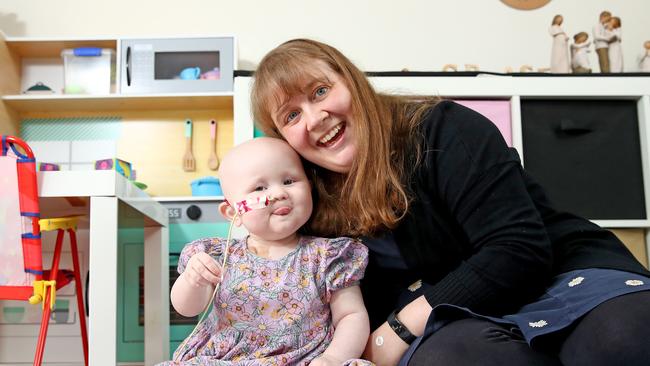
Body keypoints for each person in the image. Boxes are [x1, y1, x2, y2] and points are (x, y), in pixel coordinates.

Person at [250, 38, 650, 366]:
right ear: (281, 138)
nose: (315, 117)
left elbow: (518, 250)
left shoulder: (442, 128)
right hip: (453, 325)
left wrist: (400, 327)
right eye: (290, 116)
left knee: (624, 337)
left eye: (321, 91)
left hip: (556, 274)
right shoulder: (306, 198)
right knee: (458, 359)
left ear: (352, 82)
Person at [160, 137, 372, 365]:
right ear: (233, 213)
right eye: (260, 187)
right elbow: (187, 308)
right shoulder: (218, 256)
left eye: (289, 181)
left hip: (305, 359)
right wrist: (193, 280)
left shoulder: (329, 257)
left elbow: (351, 316)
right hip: (227, 360)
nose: (279, 192)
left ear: (309, 186)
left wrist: (332, 358)